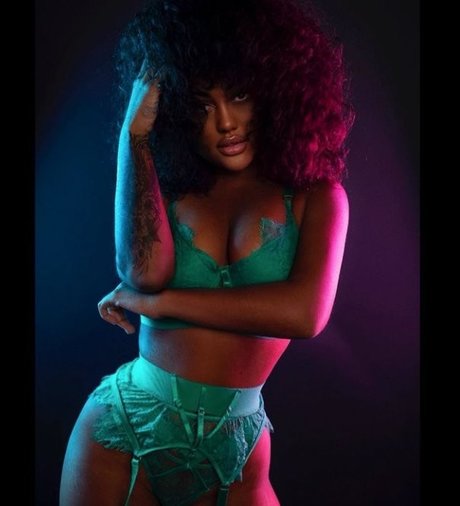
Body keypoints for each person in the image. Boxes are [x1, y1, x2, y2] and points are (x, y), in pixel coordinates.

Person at [60, 0, 354, 504]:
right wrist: (135, 134)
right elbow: (142, 274)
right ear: (178, 111)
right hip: (123, 434)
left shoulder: (318, 198)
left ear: (273, 88)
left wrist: (160, 306)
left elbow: (304, 314)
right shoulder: (173, 187)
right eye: (201, 105)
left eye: (238, 95)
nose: (225, 123)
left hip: (233, 454)